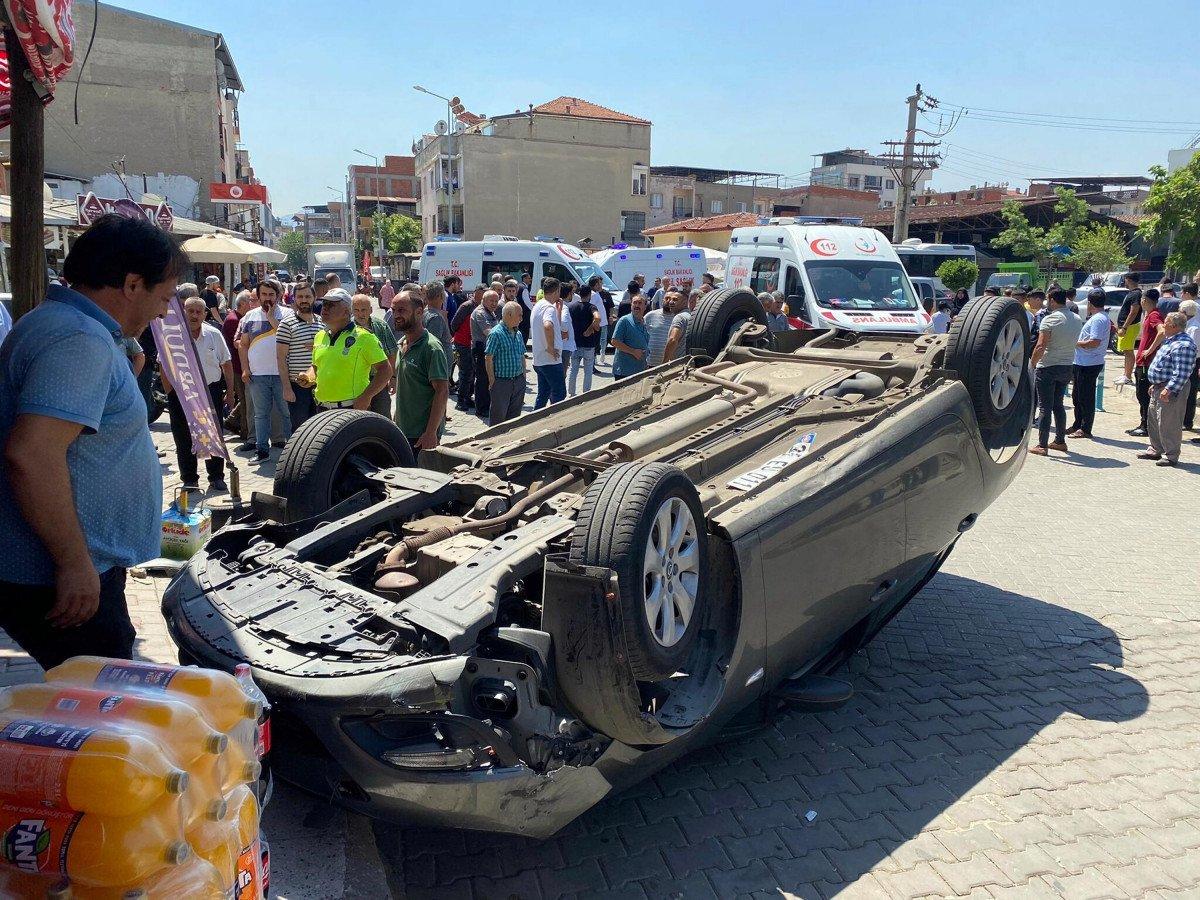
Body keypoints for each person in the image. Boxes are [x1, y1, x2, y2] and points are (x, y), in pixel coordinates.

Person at [0, 213, 186, 668]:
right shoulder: (77, 340)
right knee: (105, 708)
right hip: (64, 575)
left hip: (68, 567)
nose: (164, 312)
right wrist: (73, 563)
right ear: (131, 284)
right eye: (162, 298)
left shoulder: (69, 327)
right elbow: (32, 455)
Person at [164, 293, 235, 494]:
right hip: (182, 393)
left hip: (210, 391)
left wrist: (229, 393)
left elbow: (227, 364)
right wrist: (171, 393)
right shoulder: (173, 336)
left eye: (198, 311)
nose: (194, 315)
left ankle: (216, 477)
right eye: (190, 311)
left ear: (205, 314)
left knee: (213, 434)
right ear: (183, 312)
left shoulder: (214, 334)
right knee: (183, 437)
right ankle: (189, 480)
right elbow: (164, 366)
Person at [308, 289, 391, 413]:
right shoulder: (320, 336)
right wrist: (308, 377)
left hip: (351, 409)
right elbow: (316, 368)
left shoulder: (364, 337)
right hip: (322, 409)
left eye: (331, 305)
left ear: (346, 311)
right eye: (324, 304)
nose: (325, 308)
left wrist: (366, 396)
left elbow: (386, 370)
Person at [237, 278, 292, 461]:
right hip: (257, 375)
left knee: (286, 413)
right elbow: (243, 345)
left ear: (278, 295)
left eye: (271, 294)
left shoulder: (288, 314)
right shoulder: (249, 316)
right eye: (264, 294)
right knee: (260, 415)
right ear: (258, 296)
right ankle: (262, 451)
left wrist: (271, 319)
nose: (267, 298)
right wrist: (245, 369)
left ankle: (292, 452)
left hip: (282, 375)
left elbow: (289, 338)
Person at [391, 290, 449, 450]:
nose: (396, 315)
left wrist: (431, 433)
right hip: (403, 430)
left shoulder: (431, 348)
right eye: (393, 310)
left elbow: (442, 391)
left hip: (422, 435)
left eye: (401, 310)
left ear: (419, 312)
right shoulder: (401, 343)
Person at [1138, 311, 1197, 466]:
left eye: (1166, 322)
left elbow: (1182, 372)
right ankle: (1155, 449)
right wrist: (1156, 384)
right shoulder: (1170, 340)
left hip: (1171, 389)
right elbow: (1166, 366)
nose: (1163, 325)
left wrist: (1169, 388)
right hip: (1160, 387)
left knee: (1169, 423)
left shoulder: (1183, 345)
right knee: (1154, 420)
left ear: (1174, 326)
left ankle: (1171, 455)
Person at [1028, 288, 1082, 456]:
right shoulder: (1077, 318)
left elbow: (1040, 346)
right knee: (1058, 405)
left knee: (1044, 407)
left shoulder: (1049, 320)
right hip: (1067, 366)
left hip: (1048, 367)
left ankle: (1042, 445)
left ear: (1052, 300)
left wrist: (1032, 364)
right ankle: (1060, 441)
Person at [276, 282, 323, 430]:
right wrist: (287, 388)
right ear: (294, 299)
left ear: (314, 298)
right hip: (298, 387)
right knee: (300, 429)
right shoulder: (286, 324)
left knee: (319, 427)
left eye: (308, 296)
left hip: (320, 385)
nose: (304, 300)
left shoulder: (322, 323)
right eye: (300, 296)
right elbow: (281, 358)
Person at [1067, 289, 1110, 439]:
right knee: (1077, 395)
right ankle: (1077, 423)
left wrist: (1075, 343)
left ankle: (1085, 428)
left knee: (1086, 397)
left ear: (1090, 303)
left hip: (1089, 363)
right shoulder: (1099, 317)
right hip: (1083, 362)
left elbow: (1094, 342)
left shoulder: (1099, 319)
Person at [352, 293, 398, 418]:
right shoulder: (346, 328)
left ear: (371, 310)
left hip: (378, 379)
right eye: (356, 310)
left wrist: (392, 378)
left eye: (363, 310)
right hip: (355, 381)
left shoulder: (381, 326)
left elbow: (392, 352)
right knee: (358, 417)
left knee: (382, 415)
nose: (360, 314)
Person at [485, 301, 528, 426]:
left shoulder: (518, 333)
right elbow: (488, 358)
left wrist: (523, 376)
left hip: (518, 380)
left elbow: (522, 355)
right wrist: (492, 380)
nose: (521, 319)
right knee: (498, 419)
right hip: (502, 382)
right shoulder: (496, 333)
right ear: (509, 315)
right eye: (519, 315)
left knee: (514, 420)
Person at [1129, 289, 1164, 438]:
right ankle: (1143, 423)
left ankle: (1146, 426)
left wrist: (1149, 350)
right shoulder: (1151, 314)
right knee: (1141, 394)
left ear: (1144, 300)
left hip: (1146, 363)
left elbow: (1162, 331)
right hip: (1143, 361)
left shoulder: (1154, 315)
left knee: (1143, 395)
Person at [221, 290, 253, 437]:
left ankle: (232, 420)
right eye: (250, 302)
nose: (252, 305)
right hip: (237, 366)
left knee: (247, 398)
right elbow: (239, 344)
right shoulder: (234, 320)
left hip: (241, 365)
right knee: (245, 400)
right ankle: (246, 432)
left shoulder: (240, 318)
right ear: (242, 304)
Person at [531, 277, 565, 409]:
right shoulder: (548, 308)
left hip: (540, 359)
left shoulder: (539, 305)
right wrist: (551, 347)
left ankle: (534, 420)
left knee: (543, 394)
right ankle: (555, 422)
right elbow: (548, 325)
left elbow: (553, 325)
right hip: (550, 361)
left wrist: (559, 310)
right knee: (560, 394)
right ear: (557, 291)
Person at [449, 287, 480, 411]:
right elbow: (454, 324)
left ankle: (467, 397)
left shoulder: (481, 307)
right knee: (465, 372)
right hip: (462, 343)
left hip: (471, 345)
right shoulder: (466, 306)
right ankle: (461, 401)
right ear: (476, 294)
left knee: (472, 372)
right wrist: (459, 336)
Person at [567, 284, 601, 396]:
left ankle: (571, 393)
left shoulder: (571, 307)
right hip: (588, 344)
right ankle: (586, 394)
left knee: (573, 370)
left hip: (575, 343)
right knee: (588, 371)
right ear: (590, 295)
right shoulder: (592, 307)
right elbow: (597, 318)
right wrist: (590, 329)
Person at [422, 281, 455, 389]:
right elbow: (433, 347)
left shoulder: (425, 312)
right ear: (440, 296)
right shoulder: (435, 317)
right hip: (438, 372)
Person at [612, 294, 650, 380]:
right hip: (624, 372)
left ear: (645, 306)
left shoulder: (643, 322)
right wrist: (633, 351)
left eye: (640, 303)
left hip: (640, 370)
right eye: (634, 303)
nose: (637, 305)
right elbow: (615, 341)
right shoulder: (624, 320)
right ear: (631, 305)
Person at [1114, 272, 1143, 386]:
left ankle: (1128, 376)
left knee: (1128, 350)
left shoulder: (1136, 294)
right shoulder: (1131, 293)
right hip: (1126, 326)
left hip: (1130, 326)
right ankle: (1126, 374)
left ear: (1129, 280)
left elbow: (1134, 311)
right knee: (1126, 350)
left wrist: (1125, 327)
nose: (1124, 282)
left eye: (1125, 279)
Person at [662, 290, 699, 363]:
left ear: (685, 302)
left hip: (679, 364)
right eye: (671, 299)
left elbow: (673, 340)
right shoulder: (691, 316)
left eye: (675, 300)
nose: (671, 302)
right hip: (689, 362)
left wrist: (664, 363)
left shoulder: (679, 317)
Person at [645, 292, 679, 367]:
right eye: (667, 298)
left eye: (672, 299)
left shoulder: (678, 318)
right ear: (663, 300)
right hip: (649, 363)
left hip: (669, 365)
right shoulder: (650, 315)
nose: (669, 301)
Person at [558, 281, 577, 377]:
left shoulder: (558, 305)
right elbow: (564, 324)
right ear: (569, 294)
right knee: (562, 376)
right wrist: (564, 332)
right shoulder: (564, 308)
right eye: (572, 293)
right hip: (564, 347)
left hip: (562, 347)